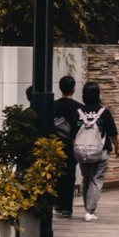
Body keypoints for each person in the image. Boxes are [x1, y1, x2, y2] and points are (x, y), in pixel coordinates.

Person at [73, 82, 119, 222]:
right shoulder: (103, 112)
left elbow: (72, 134)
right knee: (96, 180)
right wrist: (118, 147)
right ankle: (90, 211)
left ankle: (88, 207)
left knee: (86, 179)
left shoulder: (78, 113)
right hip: (100, 152)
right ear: (98, 95)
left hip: (82, 153)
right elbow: (113, 133)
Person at [52, 73, 82, 218]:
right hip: (71, 145)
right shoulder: (79, 108)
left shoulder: (53, 105)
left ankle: (57, 203)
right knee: (69, 176)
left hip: (54, 146)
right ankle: (67, 208)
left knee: (56, 174)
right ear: (74, 89)